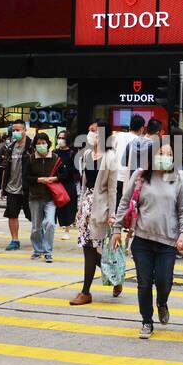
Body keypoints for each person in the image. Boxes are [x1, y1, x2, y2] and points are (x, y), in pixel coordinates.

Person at [112, 140, 183, 339]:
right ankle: (146, 320)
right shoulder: (139, 177)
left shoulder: (178, 179)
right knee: (144, 283)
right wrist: (116, 230)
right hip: (142, 240)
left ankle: (162, 302)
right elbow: (125, 203)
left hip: (168, 242)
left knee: (165, 282)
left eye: (168, 154)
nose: (164, 157)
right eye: (160, 153)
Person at [69, 120, 121, 305]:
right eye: (90, 130)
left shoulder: (110, 157)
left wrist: (112, 215)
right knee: (88, 248)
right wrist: (79, 207)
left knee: (90, 249)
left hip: (100, 208)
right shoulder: (87, 155)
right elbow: (83, 185)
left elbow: (113, 190)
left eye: (94, 130)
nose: (90, 133)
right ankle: (115, 276)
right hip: (86, 207)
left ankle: (85, 292)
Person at [0, 121, 30, 250]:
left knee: (33, 216)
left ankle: (39, 237)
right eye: (13, 130)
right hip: (11, 187)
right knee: (12, 214)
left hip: (27, 188)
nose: (15, 132)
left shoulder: (31, 147)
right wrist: (2, 187)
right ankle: (15, 240)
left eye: (18, 129)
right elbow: (4, 168)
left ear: (25, 130)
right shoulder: (9, 147)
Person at [24, 131, 60, 262]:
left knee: (50, 223)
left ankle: (47, 251)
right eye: (38, 143)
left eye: (43, 143)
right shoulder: (31, 159)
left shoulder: (56, 158)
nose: (41, 145)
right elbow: (26, 177)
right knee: (36, 227)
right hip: (35, 197)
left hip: (51, 197)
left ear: (48, 144)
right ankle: (37, 250)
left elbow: (65, 175)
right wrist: (39, 180)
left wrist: (53, 179)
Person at [53, 129, 80, 239]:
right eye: (59, 138)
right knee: (55, 207)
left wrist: (65, 168)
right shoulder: (54, 152)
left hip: (68, 183)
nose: (60, 140)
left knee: (68, 207)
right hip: (55, 182)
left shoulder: (73, 153)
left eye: (63, 138)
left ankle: (67, 229)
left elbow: (76, 170)